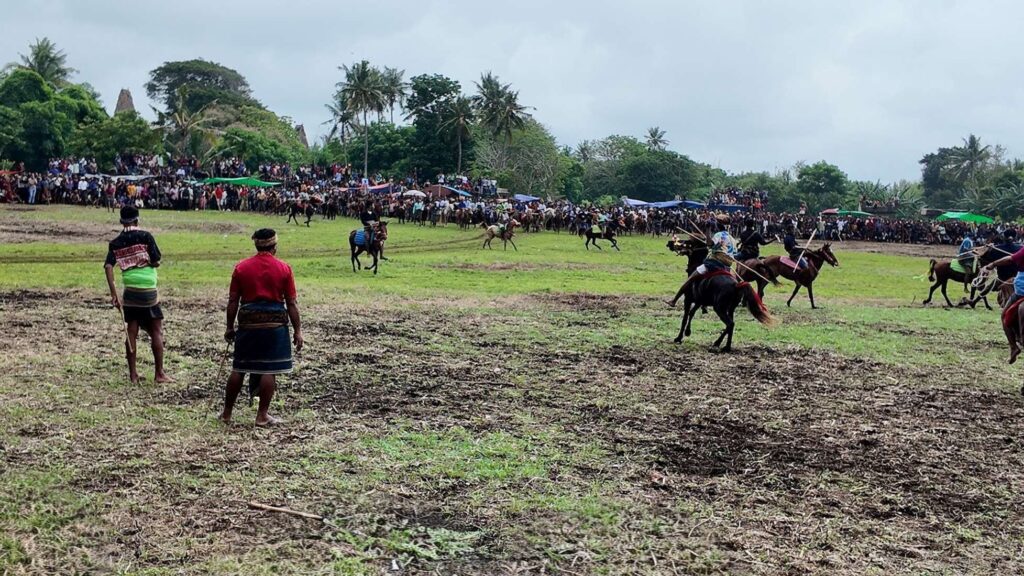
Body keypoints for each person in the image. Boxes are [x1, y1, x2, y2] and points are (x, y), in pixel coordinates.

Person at [221, 228, 303, 426]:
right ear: (275, 246)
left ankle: (226, 414)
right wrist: (298, 330)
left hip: (248, 322)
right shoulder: (284, 268)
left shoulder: (241, 268)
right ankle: (262, 415)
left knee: (239, 367)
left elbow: (233, 301)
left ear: (256, 245)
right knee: (269, 369)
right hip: (274, 324)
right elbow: (291, 303)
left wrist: (230, 327)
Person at [103, 206, 172, 384]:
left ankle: (133, 375)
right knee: (156, 331)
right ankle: (159, 373)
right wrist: (150, 263)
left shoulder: (116, 242)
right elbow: (156, 260)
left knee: (131, 332)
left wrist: (114, 294)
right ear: (137, 220)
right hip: (148, 290)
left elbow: (108, 266)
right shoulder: (146, 236)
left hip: (130, 292)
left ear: (121, 222)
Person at [665, 229, 737, 307]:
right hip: (726, 266)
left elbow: (710, 244)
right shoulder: (732, 239)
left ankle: (674, 300)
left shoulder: (719, 235)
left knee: (690, 279)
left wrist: (708, 230)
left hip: (714, 264)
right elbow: (735, 254)